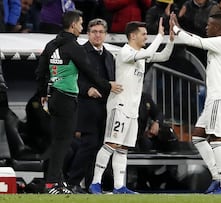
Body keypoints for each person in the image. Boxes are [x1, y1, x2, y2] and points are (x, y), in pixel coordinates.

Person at [35, 10, 121, 194]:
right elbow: (89, 72)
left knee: (59, 141)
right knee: (63, 143)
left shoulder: (51, 45)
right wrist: (107, 86)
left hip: (54, 98)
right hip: (67, 99)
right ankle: (52, 184)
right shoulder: (73, 47)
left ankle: (58, 182)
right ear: (73, 25)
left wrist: (43, 93)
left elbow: (40, 72)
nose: (82, 27)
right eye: (81, 24)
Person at [89, 18, 174, 194]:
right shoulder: (125, 53)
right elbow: (149, 51)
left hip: (133, 110)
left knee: (123, 149)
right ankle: (95, 183)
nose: (146, 37)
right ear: (133, 36)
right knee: (110, 144)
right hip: (119, 106)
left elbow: (164, 56)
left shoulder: (141, 54)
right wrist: (159, 35)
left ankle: (119, 186)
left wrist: (171, 40)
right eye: (144, 34)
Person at [170, 13, 221, 194]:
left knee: (216, 140)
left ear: (219, 27)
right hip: (218, 97)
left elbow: (196, 42)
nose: (206, 28)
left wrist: (176, 29)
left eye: (209, 25)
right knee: (198, 137)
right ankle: (217, 176)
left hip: (219, 98)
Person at [65, 18, 115, 194]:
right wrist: (87, 90)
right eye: (94, 32)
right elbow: (70, 77)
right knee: (89, 145)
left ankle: (92, 184)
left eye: (101, 32)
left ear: (105, 34)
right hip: (86, 106)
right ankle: (71, 182)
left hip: (104, 108)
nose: (98, 35)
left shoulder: (109, 56)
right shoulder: (80, 52)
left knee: (98, 148)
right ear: (88, 33)